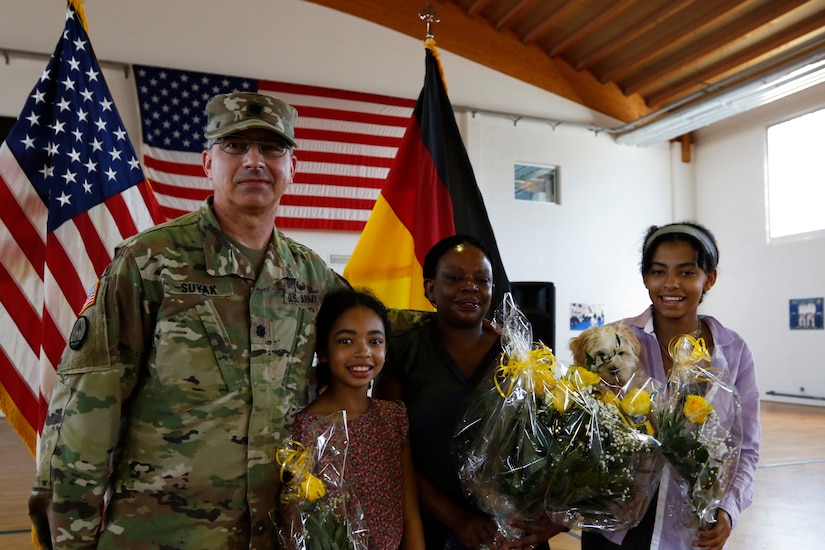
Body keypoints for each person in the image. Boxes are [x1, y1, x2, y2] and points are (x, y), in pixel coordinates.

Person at [28, 91, 349, 549]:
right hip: (163, 535)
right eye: (235, 146)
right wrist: (69, 540)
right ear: (207, 162)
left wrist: (481, 325)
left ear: (291, 168)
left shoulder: (311, 275)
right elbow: (85, 411)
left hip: (278, 533)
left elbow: (378, 332)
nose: (255, 160)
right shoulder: (148, 263)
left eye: (272, 147)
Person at [376, 234, 565, 550]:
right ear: (430, 288)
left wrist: (553, 518)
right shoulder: (402, 353)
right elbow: (390, 453)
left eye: (482, 280)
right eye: (454, 278)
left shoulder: (521, 355)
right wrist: (456, 519)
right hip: (430, 530)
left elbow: (556, 444)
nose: (470, 286)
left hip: (513, 535)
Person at [581, 222, 760, 550]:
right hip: (612, 525)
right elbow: (580, 429)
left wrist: (728, 510)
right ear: (645, 278)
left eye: (687, 272)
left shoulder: (733, 351)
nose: (671, 284)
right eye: (659, 271)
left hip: (689, 530)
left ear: (710, 278)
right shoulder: (612, 340)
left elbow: (746, 447)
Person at [288, 289, 425, 549]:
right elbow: (298, 523)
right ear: (323, 351)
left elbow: (411, 515)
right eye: (346, 341)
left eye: (374, 341)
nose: (363, 352)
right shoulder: (305, 428)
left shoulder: (393, 417)